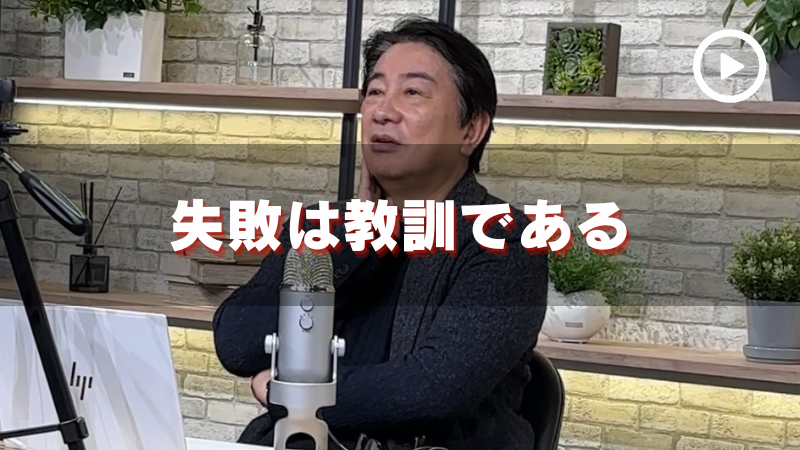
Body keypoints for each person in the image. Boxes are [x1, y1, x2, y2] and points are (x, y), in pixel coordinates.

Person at [211, 17, 548, 450]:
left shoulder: (504, 239)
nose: (383, 111)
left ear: (471, 130)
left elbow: (432, 390)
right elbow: (238, 346)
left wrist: (291, 394)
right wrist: (354, 239)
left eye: (413, 92)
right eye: (374, 92)